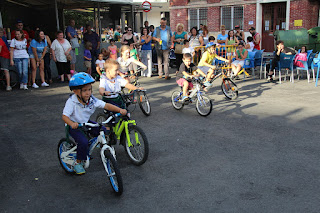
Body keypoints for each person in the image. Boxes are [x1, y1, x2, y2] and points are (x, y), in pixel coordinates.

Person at [62, 72, 127, 174]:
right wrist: (71, 123)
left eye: (89, 89)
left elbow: (106, 105)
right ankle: (78, 163)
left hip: (85, 122)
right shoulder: (72, 101)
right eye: (84, 90)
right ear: (75, 91)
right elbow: (64, 116)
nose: (88, 93)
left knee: (104, 131)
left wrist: (119, 110)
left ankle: (89, 148)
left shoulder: (91, 100)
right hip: (74, 125)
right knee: (83, 142)